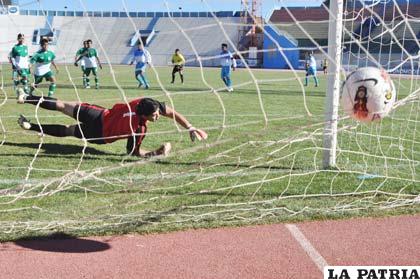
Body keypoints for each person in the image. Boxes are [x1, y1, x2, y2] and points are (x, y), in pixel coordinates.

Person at [16, 89, 207, 157]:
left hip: (97, 115)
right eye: (155, 115)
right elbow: (133, 153)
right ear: (147, 114)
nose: (158, 116)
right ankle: (31, 126)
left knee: (61, 105)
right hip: (100, 136)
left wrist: (190, 127)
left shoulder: (139, 103)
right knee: (67, 131)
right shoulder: (139, 128)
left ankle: (26, 97)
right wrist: (156, 152)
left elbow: (169, 112)